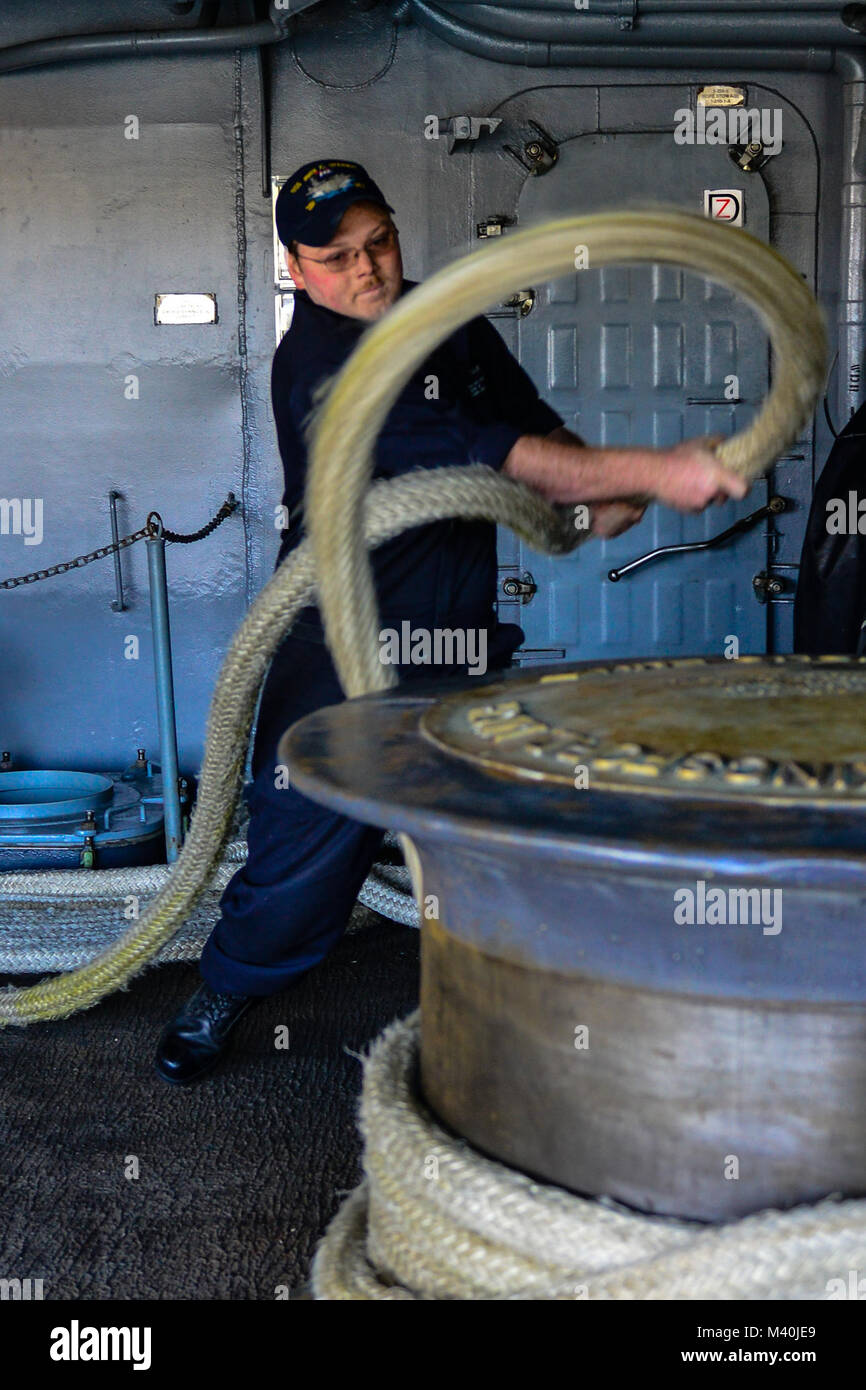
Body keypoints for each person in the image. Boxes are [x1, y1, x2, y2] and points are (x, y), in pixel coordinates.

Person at [154, 159, 747, 1084]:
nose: (366, 269)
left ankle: (505, 1011)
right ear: (296, 267)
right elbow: (502, 455)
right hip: (339, 637)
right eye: (336, 255)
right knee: (300, 842)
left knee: (478, 828)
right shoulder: (323, 370)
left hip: (456, 629)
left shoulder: (448, 321)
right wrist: (664, 470)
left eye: (378, 241)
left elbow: (533, 431)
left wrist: (602, 492)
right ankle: (230, 984)